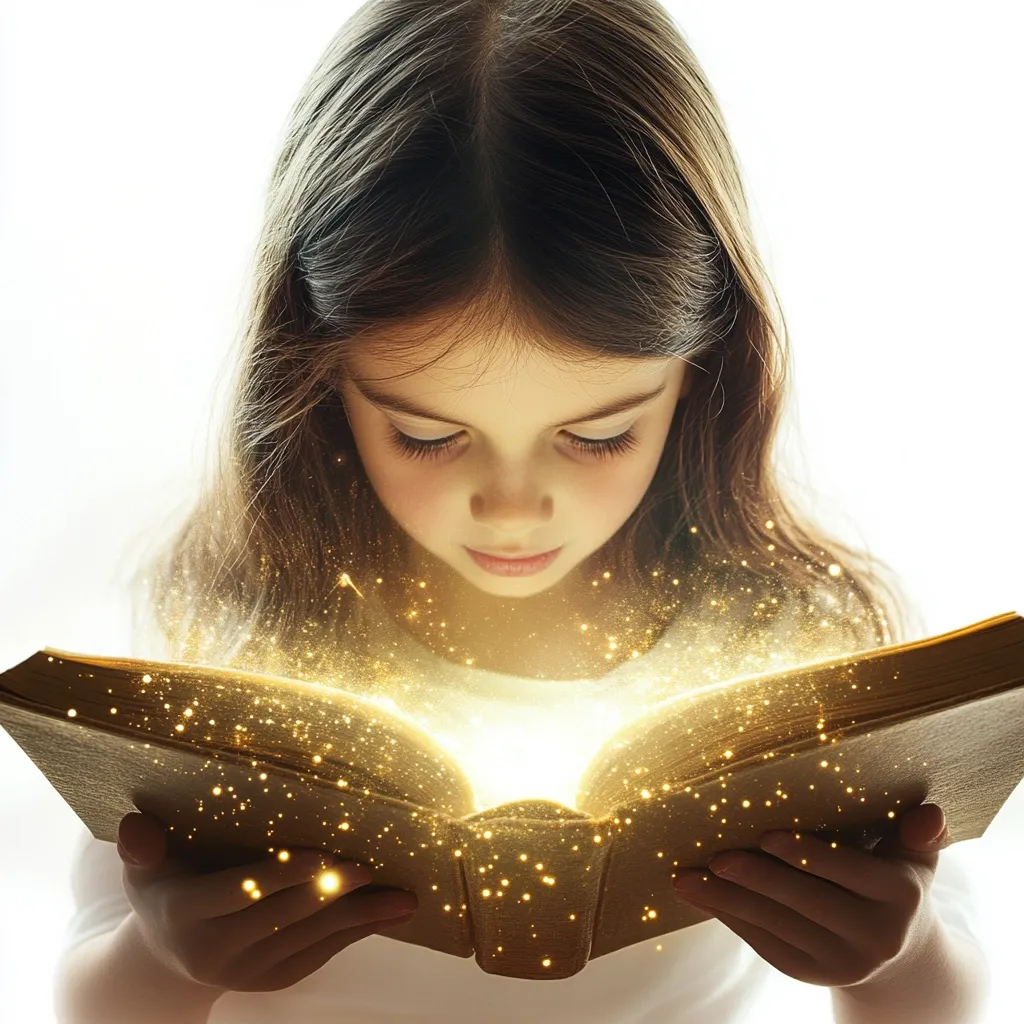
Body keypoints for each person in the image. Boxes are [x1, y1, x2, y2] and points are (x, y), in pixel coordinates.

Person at [52, 1, 990, 1022]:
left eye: (597, 436)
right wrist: (161, 959)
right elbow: (89, 991)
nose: (509, 508)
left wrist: (893, 962)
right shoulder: (238, 637)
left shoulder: (788, 643)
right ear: (315, 383)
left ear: (705, 376)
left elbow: (951, 987)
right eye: (425, 434)